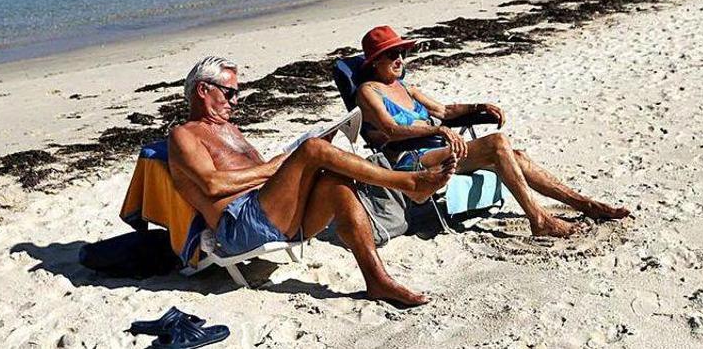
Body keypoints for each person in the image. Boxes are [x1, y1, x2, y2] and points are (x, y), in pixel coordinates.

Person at [167, 56, 454, 307]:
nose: (235, 101)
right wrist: (283, 165)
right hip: (239, 225)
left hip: (272, 212)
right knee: (313, 150)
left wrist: (292, 163)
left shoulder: (229, 128)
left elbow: (265, 174)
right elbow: (212, 185)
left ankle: (376, 280)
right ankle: (408, 183)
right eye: (229, 93)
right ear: (203, 90)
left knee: (336, 183)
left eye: (236, 94)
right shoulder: (185, 134)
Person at [354, 26, 631, 238]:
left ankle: (584, 204)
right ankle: (540, 219)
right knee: (498, 144)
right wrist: (440, 130)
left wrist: (479, 106)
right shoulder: (368, 91)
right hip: (409, 160)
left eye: (402, 52)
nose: (399, 58)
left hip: (436, 149)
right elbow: (390, 129)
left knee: (516, 155)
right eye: (392, 54)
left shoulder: (406, 88)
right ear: (375, 60)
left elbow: (446, 111)